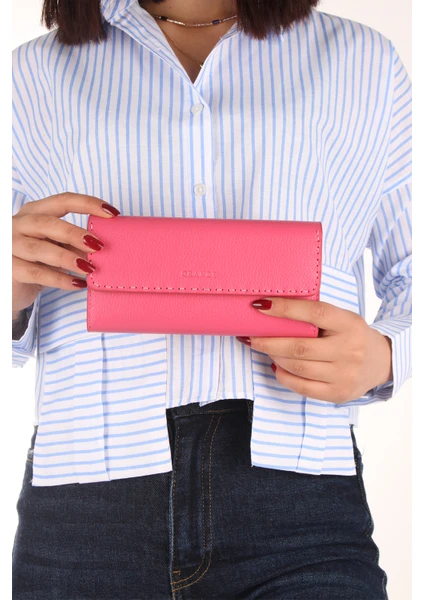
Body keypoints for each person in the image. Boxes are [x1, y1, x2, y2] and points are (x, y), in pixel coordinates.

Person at [12, 0, 411, 598]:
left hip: (298, 496)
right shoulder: (29, 74)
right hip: (85, 498)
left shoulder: (362, 60)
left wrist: (388, 354)